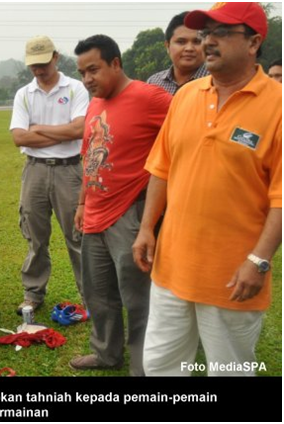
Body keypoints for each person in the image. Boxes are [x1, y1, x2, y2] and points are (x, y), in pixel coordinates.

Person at [133, 2, 281, 376]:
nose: (207, 42)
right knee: (161, 365)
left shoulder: (278, 107)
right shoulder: (185, 96)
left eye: (221, 33)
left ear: (254, 43)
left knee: (229, 370)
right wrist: (147, 228)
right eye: (206, 33)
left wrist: (259, 260)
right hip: (171, 268)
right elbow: (162, 168)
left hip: (233, 275)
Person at [69, 35, 172, 376]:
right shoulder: (95, 103)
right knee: (98, 293)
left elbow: (184, 137)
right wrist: (82, 202)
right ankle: (106, 352)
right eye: (82, 72)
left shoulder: (150, 97)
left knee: (138, 298)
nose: (87, 79)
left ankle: (144, 365)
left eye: (93, 69)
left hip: (131, 213)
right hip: (94, 213)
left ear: (116, 63)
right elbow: (89, 155)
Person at [9, 35, 89, 315]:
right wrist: (62, 132)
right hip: (35, 170)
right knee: (35, 236)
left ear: (56, 57)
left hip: (69, 169)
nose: (39, 70)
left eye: (43, 63)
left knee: (77, 236)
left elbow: (79, 130)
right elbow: (19, 138)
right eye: (34, 65)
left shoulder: (76, 88)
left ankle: (90, 296)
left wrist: (38, 128)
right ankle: (33, 293)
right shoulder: (24, 93)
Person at [147, 11, 209, 95]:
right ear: (167, 46)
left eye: (197, 42)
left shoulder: (217, 81)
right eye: (181, 42)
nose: (189, 48)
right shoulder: (154, 82)